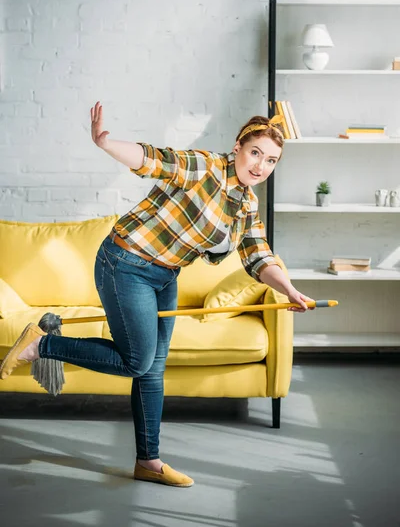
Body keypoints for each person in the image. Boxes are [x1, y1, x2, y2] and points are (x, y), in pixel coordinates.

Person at [0, 102, 313, 488]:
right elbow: (154, 160)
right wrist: (106, 143)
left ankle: (148, 462)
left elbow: (259, 255)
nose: (260, 166)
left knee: (152, 368)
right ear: (237, 148)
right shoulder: (205, 167)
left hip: (165, 276)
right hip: (125, 263)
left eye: (271, 160)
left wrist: (291, 290)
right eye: (255, 153)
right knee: (137, 360)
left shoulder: (246, 205)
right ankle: (43, 344)